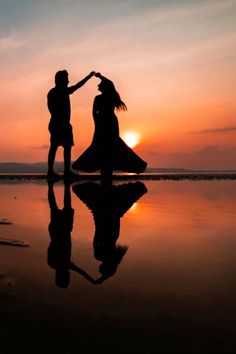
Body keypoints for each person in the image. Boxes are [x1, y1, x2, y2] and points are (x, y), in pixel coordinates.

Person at [72, 73, 147, 182]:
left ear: (104, 87)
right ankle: (105, 168)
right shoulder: (106, 96)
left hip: (107, 121)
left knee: (110, 144)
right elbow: (94, 112)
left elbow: (94, 112)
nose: (98, 85)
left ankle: (107, 168)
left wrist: (101, 76)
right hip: (106, 121)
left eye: (100, 84)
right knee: (102, 144)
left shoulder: (108, 96)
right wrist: (97, 123)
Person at [47, 70, 95, 179]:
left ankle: (63, 171)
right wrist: (89, 76)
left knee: (63, 147)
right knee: (56, 147)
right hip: (59, 124)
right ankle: (56, 171)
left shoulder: (56, 92)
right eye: (66, 79)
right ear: (61, 80)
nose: (68, 81)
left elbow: (78, 86)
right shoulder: (58, 92)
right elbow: (78, 86)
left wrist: (88, 76)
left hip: (60, 124)